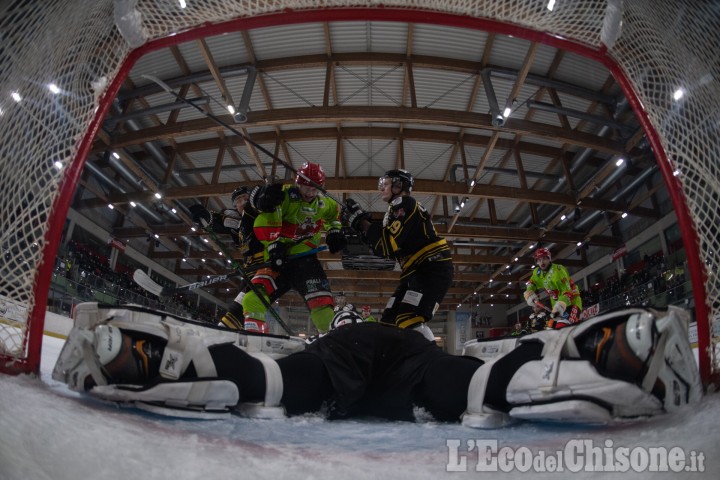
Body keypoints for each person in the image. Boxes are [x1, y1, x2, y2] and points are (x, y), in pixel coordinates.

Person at [52, 302, 702, 427]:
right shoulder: (407, 330)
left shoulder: (342, 330)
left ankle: (152, 359)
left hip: (350, 353)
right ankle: (608, 354)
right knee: (472, 384)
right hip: (411, 362)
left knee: (279, 380)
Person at [343, 169, 453, 340]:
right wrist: (363, 226)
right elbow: (385, 248)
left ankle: (433, 361)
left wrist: (362, 223)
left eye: (385, 184)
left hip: (432, 267)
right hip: (415, 271)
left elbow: (388, 244)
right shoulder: (394, 210)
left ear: (398, 185)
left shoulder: (404, 203)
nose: (381, 188)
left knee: (409, 318)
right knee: (390, 320)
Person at [241, 162, 346, 333]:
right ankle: (253, 335)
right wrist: (273, 243)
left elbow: (334, 215)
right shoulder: (283, 195)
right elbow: (265, 219)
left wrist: (334, 232)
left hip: (306, 261)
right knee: (254, 297)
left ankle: (331, 342)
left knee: (322, 305)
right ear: (298, 182)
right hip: (277, 259)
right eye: (306, 187)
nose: (310, 192)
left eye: (315, 188)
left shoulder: (325, 203)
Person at [189, 186, 265, 331]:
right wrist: (204, 217)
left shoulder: (260, 213)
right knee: (242, 298)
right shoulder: (233, 219)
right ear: (235, 205)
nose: (242, 202)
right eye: (238, 200)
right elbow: (216, 220)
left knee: (246, 299)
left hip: (265, 264)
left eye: (245, 198)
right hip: (249, 266)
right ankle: (240, 329)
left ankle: (230, 328)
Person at [523, 247, 583, 329]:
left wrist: (560, 305)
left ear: (549, 259)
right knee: (550, 330)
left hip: (572, 303)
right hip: (556, 306)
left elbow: (568, 292)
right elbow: (532, 282)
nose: (542, 262)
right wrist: (529, 292)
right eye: (539, 260)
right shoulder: (537, 272)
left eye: (544, 259)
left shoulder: (558, 270)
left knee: (562, 327)